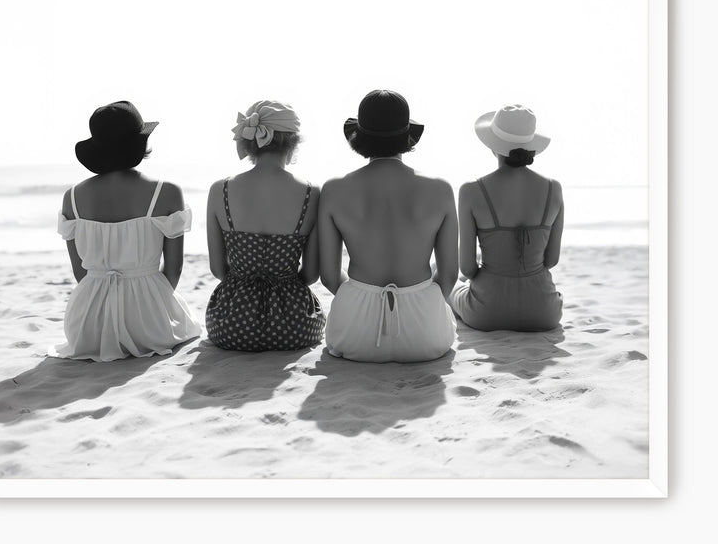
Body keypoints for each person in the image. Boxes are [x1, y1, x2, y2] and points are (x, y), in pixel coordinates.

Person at [49, 100, 201, 361]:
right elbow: (173, 269)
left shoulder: (72, 197)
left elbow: (80, 272)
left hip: (87, 325)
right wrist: (150, 304)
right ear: (139, 145)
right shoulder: (166, 192)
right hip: (148, 321)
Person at [318, 90, 458, 363]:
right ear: (407, 136)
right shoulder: (439, 190)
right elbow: (449, 275)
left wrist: (363, 298)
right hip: (425, 332)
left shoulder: (334, 190)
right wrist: (417, 301)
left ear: (359, 136)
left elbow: (330, 277)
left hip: (354, 330)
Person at [205, 100, 325, 352]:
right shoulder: (311, 193)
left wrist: (245, 287)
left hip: (231, 325)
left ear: (248, 141)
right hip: (295, 326)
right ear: (293, 142)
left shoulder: (221, 190)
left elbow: (218, 269)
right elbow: (311, 275)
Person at [450, 104, 563, 331]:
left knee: (445, 277)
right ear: (531, 146)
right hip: (543, 312)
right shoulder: (553, 188)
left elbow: (468, 269)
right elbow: (550, 261)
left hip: (487, 312)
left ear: (493, 145)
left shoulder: (471, 190)